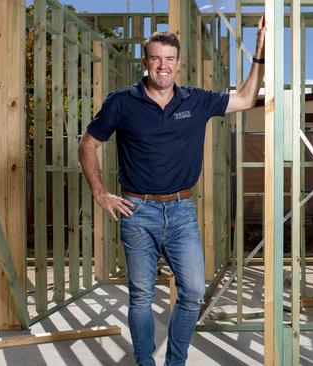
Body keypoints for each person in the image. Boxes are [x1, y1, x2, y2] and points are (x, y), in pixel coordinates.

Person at [78, 16, 266, 366]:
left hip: (181, 212)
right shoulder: (122, 102)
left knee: (193, 291)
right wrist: (101, 193)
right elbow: (87, 144)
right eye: (156, 58)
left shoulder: (196, 101)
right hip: (137, 212)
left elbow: (245, 99)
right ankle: (145, 362)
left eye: (170, 59)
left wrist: (259, 52)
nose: (163, 66)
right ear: (145, 62)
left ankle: (175, 362)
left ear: (178, 64)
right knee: (141, 296)